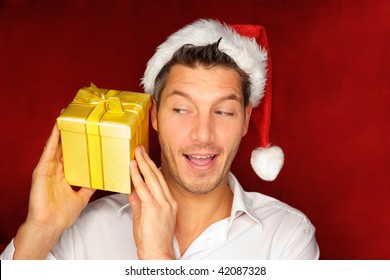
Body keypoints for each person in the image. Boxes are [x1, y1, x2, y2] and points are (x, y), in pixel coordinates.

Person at [1, 19, 319, 260]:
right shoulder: (85, 228)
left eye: (223, 112)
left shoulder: (286, 238)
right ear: (153, 115)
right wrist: (40, 230)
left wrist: (158, 258)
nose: (202, 135)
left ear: (246, 120)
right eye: (181, 109)